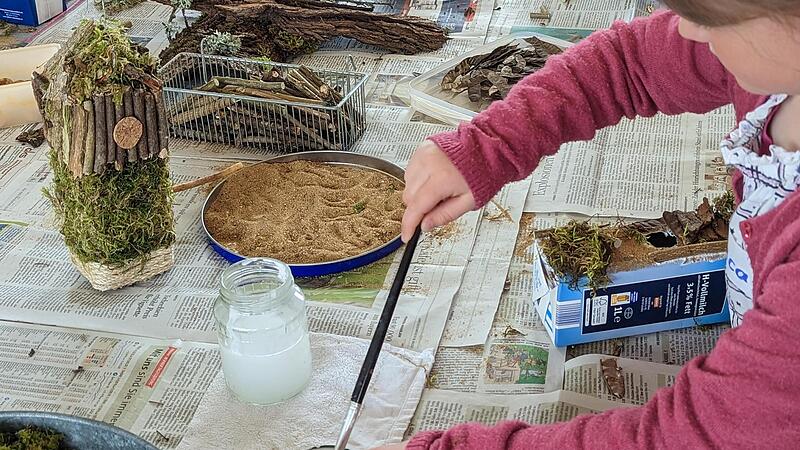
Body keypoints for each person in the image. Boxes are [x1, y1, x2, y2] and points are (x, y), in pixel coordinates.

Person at [376, 1, 800, 448]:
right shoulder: (778, 59)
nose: (688, 31)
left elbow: (694, 436)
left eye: (710, 18)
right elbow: (630, 62)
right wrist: (491, 144)